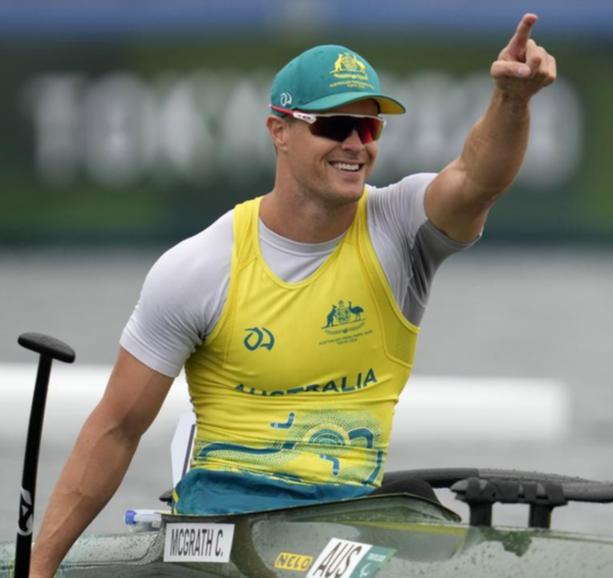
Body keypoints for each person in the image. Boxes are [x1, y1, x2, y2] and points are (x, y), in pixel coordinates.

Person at [30, 12, 555, 576]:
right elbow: (116, 429)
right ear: (279, 130)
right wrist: (39, 569)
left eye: (369, 127)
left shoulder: (401, 227)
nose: (356, 143)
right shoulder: (198, 268)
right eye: (334, 126)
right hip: (219, 534)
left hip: (348, 524)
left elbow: (478, 179)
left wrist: (512, 101)